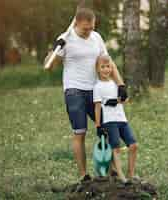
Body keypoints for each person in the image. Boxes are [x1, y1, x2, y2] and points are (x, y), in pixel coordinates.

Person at [43, 8, 127, 182]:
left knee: (107, 128)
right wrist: (54, 49)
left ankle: (112, 171)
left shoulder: (96, 38)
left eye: (91, 27)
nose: (89, 31)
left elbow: (108, 62)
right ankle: (84, 176)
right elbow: (48, 66)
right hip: (75, 91)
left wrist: (121, 84)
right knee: (80, 132)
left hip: (96, 90)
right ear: (76, 24)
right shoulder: (66, 39)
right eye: (85, 29)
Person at [93, 55, 138, 183]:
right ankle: (120, 175)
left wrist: (120, 99)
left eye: (108, 66)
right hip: (109, 121)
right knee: (116, 147)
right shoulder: (97, 87)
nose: (106, 69)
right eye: (103, 67)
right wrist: (98, 125)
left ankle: (131, 174)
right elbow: (97, 107)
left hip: (122, 119)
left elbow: (125, 100)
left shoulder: (115, 84)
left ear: (112, 68)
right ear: (97, 69)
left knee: (133, 145)